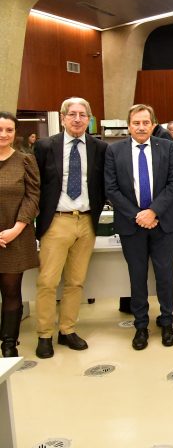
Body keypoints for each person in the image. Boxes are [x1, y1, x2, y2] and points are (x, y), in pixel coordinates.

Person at [34, 97, 108, 358]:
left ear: (89, 119)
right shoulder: (45, 146)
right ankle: (44, 335)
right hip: (57, 221)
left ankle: (67, 330)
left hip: (86, 222)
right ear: (63, 117)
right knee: (47, 281)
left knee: (76, 282)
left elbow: (103, 184)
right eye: (72, 114)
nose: (77, 119)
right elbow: (36, 185)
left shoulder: (100, 148)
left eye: (82, 114)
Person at [105, 104, 173, 350]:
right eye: (136, 123)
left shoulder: (167, 147)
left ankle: (167, 322)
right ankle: (140, 326)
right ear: (129, 126)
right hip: (132, 225)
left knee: (165, 275)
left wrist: (153, 211)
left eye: (145, 122)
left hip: (163, 223)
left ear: (153, 125)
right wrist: (138, 215)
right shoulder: (114, 151)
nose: (140, 127)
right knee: (137, 277)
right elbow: (111, 189)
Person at [0, 112, 40, 357]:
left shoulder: (25, 160)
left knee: (11, 291)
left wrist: (17, 228)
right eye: (0, 129)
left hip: (15, 235)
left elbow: (32, 196)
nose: (4, 134)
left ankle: (8, 343)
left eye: (9, 130)